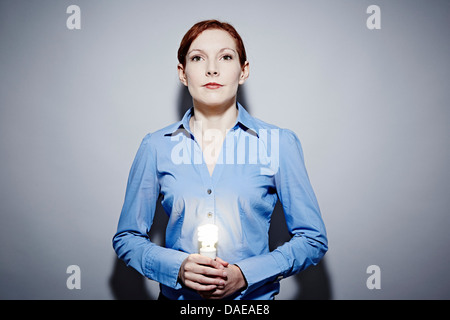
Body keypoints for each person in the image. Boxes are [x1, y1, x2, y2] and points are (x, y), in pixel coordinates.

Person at [112, 19, 327, 300]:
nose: (211, 68)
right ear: (183, 73)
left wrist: (246, 273)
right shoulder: (155, 146)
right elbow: (127, 238)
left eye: (226, 57)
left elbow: (312, 239)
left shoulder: (279, 144)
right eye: (197, 58)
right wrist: (177, 268)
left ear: (243, 71)